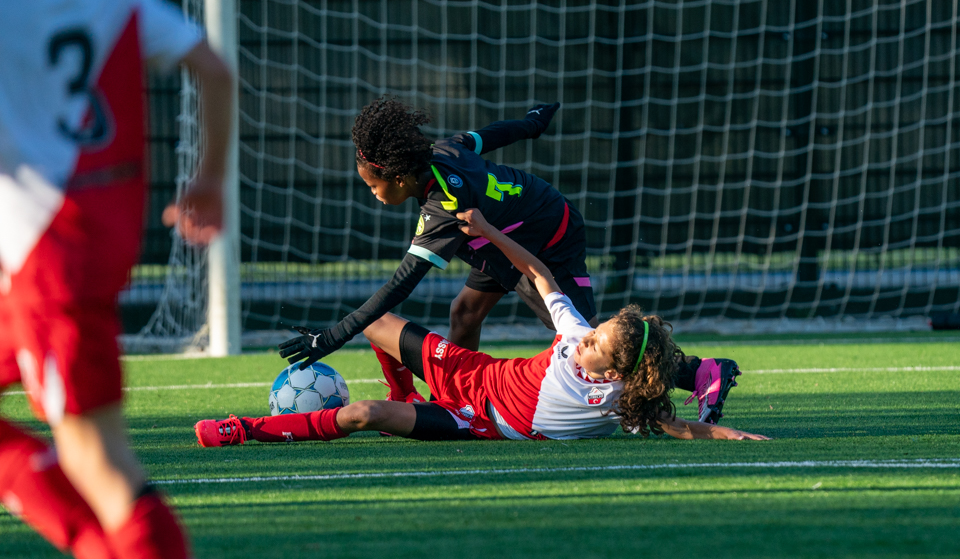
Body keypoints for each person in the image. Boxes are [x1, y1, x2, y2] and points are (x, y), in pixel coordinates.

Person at [280, 96, 740, 424]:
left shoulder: (444, 208)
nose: (373, 194)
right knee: (464, 312)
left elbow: (397, 288)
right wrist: (531, 123)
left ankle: (699, 370)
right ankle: (452, 402)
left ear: (398, 178)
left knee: (584, 336)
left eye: (373, 185)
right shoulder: (441, 152)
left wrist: (333, 336)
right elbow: (488, 136)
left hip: (545, 237)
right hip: (503, 233)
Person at [0, 0, 233, 557]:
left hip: (47, 262)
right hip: (84, 247)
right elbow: (214, 70)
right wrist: (209, 180)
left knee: (99, 460)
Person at [195, 209, 768, 447]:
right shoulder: (576, 335)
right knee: (377, 324)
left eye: (597, 343)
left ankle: (243, 430)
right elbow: (539, 273)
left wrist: (732, 436)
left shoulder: (620, 402)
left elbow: (682, 428)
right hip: (472, 372)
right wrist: (490, 231)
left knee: (363, 414)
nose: (587, 336)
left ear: (616, 371)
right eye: (596, 332)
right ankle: (406, 392)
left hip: (475, 419)